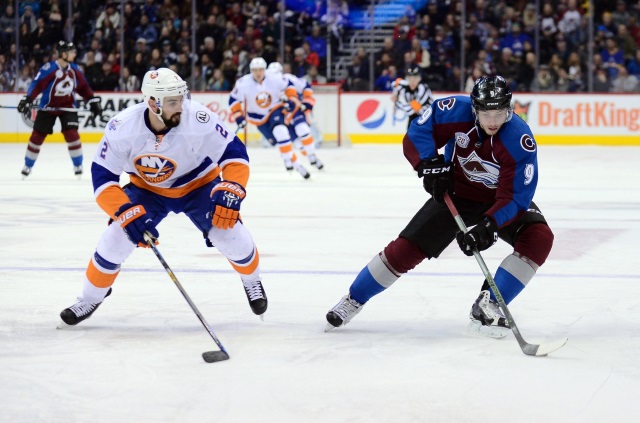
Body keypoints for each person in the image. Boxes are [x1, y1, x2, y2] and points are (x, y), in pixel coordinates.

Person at [325, 76, 554, 339]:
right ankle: (354, 298)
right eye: (486, 113)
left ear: (509, 109)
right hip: (457, 193)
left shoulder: (520, 139)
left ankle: (489, 304)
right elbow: (418, 131)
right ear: (474, 109)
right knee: (406, 248)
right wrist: (428, 165)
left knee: (539, 238)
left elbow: (516, 196)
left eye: (499, 113)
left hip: (498, 200)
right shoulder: (453, 110)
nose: (493, 121)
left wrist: (488, 225)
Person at [58, 68, 267, 326]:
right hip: (147, 190)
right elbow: (102, 179)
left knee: (231, 235)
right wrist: (124, 212)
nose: (180, 105)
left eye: (181, 98)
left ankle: (252, 281)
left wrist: (233, 186)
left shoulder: (199, 118)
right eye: (172, 102)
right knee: (115, 240)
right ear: (152, 103)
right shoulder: (122, 127)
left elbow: (235, 155)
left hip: (199, 185)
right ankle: (90, 298)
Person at [17, 41, 102, 178]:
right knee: (36, 137)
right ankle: (28, 165)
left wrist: (92, 100)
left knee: (72, 135)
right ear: (64, 54)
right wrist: (28, 99)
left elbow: (84, 88)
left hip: (68, 108)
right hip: (48, 108)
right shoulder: (49, 69)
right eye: (72, 51)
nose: (74, 54)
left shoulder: (75, 70)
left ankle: (78, 165)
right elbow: (37, 85)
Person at [229, 57, 310, 179]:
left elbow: (289, 86)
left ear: (265, 70)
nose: (258, 73)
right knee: (278, 144)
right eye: (255, 70)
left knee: (281, 131)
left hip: (274, 109)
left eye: (260, 70)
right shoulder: (243, 83)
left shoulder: (274, 78)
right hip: (257, 118)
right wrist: (239, 117)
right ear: (251, 71)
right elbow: (233, 100)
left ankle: (295, 163)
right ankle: (294, 162)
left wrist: (292, 99)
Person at [267, 61, 324, 170]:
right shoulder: (265, 86)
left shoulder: (288, 78)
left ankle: (312, 155)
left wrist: (307, 102)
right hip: (281, 116)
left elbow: (306, 86)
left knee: (302, 130)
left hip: (295, 110)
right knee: (297, 143)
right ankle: (311, 157)